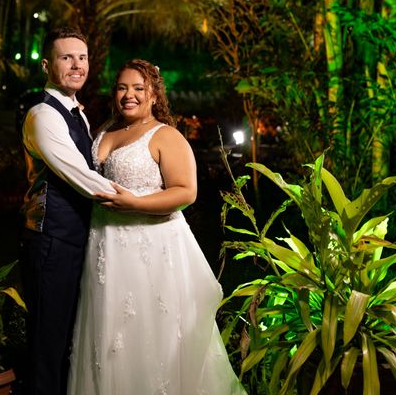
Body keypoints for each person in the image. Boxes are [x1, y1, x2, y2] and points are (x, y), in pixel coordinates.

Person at [68, 59, 247, 394]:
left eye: (139, 88)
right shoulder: (106, 129)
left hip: (148, 251)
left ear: (153, 95)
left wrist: (134, 203)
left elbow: (186, 192)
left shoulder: (165, 135)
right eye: (122, 87)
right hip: (105, 249)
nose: (129, 95)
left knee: (149, 336)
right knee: (106, 336)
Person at [20, 27, 118, 395]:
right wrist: (139, 202)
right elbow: (82, 177)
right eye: (66, 58)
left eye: (83, 57)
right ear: (47, 65)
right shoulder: (42, 115)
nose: (77, 65)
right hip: (51, 240)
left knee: (68, 339)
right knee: (48, 341)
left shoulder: (77, 112)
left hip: (75, 238)